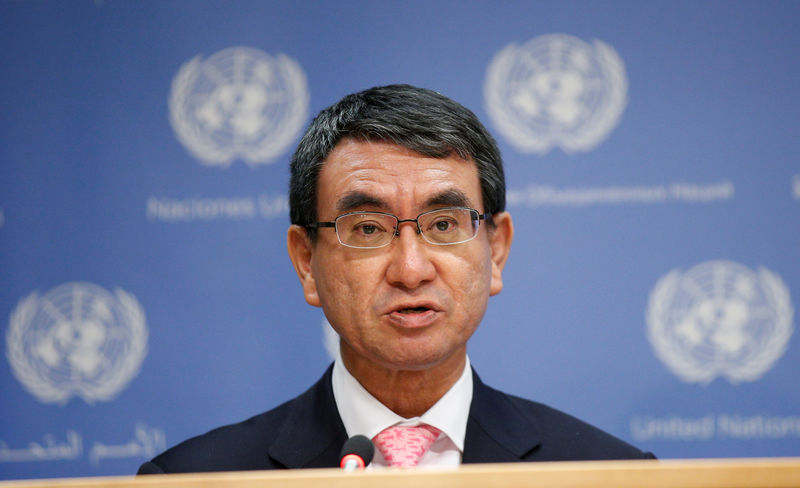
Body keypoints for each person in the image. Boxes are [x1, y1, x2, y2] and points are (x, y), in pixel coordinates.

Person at [138, 84, 653, 474]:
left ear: (495, 250)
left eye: (444, 225)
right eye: (366, 228)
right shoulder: (194, 480)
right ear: (306, 262)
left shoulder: (608, 474)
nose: (411, 270)